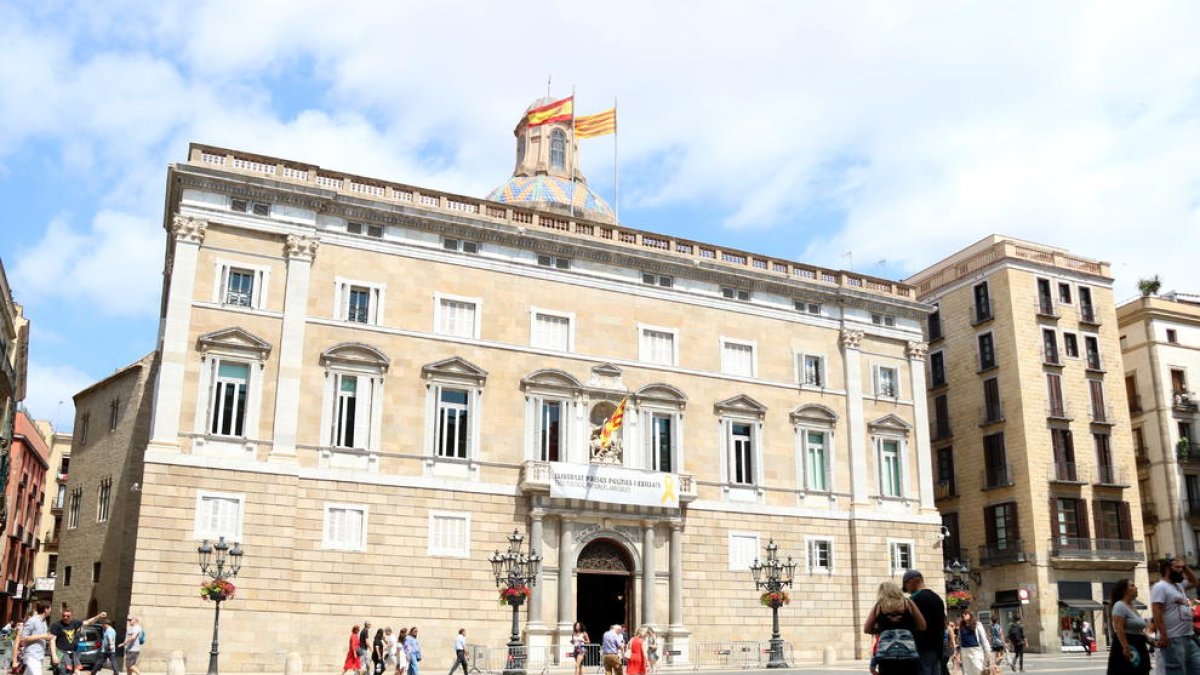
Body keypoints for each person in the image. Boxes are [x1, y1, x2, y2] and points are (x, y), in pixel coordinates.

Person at [864, 581, 927, 675]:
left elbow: (867, 629)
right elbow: (922, 626)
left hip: (886, 657)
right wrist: (908, 629)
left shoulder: (879, 606)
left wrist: (881, 630)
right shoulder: (908, 603)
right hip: (908, 655)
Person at [1151, 557, 1200, 675]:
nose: (1181, 570)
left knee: (1196, 670)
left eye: (1181, 568)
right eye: (1177, 567)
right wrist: (1163, 636)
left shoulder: (1179, 586)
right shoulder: (1160, 587)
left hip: (1189, 637)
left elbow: (1195, 581)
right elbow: (1157, 612)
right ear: (1168, 569)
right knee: (1177, 672)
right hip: (1173, 638)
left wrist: (1185, 567)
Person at [904, 570, 947, 675]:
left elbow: (909, 623)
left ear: (911, 583)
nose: (908, 591)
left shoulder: (914, 599)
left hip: (921, 647)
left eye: (906, 587)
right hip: (937, 647)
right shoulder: (937, 598)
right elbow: (944, 623)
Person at [1111, 578, 1151, 675]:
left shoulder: (1132, 606)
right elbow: (1119, 628)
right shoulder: (1119, 605)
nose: (1136, 588)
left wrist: (1149, 640)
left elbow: (1138, 630)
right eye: (1132, 586)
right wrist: (1126, 647)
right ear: (1125, 590)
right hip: (1129, 645)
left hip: (1139, 644)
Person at [50, 607, 106, 675]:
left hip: (71, 655)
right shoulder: (56, 625)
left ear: (71, 616)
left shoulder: (74, 623)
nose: (65, 617)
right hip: (61, 654)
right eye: (63, 615)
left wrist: (99, 616)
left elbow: (88, 622)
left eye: (68, 616)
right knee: (62, 672)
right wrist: (54, 656)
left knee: (69, 673)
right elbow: (52, 640)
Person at [18, 602, 53, 675]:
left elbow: (42, 636)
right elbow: (23, 638)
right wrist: (43, 636)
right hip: (32, 655)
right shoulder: (32, 620)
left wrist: (47, 637)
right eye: (50, 608)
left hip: (40, 655)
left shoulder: (44, 622)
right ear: (46, 609)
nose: (51, 610)